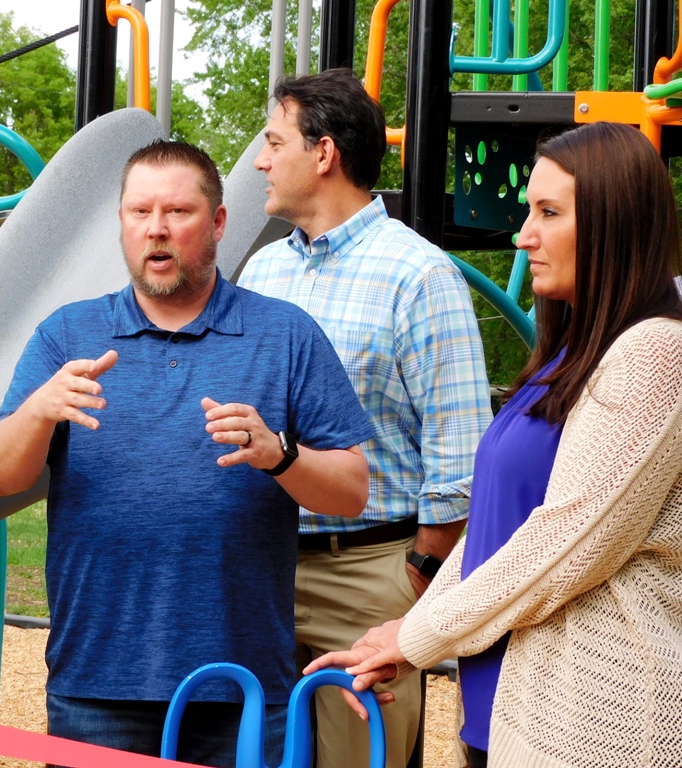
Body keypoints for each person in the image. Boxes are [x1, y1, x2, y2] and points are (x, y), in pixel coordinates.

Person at [0, 139, 373, 767]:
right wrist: (38, 410)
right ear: (121, 223)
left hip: (244, 683)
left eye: (178, 212)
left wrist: (280, 454)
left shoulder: (284, 334)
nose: (156, 229)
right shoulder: (67, 333)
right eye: (140, 212)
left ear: (218, 222)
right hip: (96, 681)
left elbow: (352, 491)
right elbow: (2, 478)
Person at [306, 121, 682, 768]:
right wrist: (410, 634)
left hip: (596, 715)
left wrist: (419, 634)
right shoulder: (565, 357)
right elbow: (496, 530)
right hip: (509, 702)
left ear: (613, 223)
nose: (523, 236)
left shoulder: (654, 352)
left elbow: (565, 544)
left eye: (549, 213)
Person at [237, 69, 492, 768]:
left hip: (368, 572)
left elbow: (459, 456)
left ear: (323, 153)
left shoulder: (421, 275)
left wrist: (414, 580)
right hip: (260, 569)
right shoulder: (261, 274)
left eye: (274, 142)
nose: (260, 161)